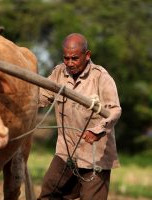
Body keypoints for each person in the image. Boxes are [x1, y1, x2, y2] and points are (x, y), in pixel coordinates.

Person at [38, 33, 122, 200]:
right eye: (66, 58)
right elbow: (41, 96)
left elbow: (115, 110)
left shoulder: (101, 77)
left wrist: (97, 130)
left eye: (74, 58)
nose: (69, 63)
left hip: (94, 154)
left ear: (87, 55)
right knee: (48, 193)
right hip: (66, 150)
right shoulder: (59, 73)